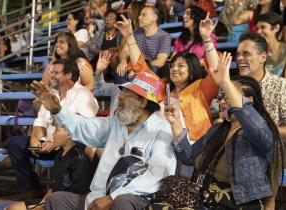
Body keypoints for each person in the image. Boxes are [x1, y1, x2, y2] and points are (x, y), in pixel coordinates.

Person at [147, 52, 282, 210]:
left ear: (249, 101)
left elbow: (253, 124)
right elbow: (188, 157)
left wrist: (225, 82)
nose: (222, 101)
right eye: (222, 96)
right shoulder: (217, 128)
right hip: (202, 201)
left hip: (235, 205)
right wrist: (175, 124)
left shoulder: (260, 131)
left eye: (228, 95)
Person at [30, 71, 177, 210]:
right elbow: (83, 126)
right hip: (99, 198)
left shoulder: (162, 130)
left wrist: (112, 197)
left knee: (123, 202)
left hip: (139, 199)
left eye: (127, 94)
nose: (120, 97)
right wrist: (57, 109)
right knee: (56, 200)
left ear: (143, 102)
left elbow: (156, 175)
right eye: (122, 92)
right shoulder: (115, 124)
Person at [114, 13, 219, 141]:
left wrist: (207, 38)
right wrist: (130, 37)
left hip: (192, 147)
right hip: (159, 143)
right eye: (172, 66)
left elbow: (216, 71)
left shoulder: (200, 89)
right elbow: (141, 67)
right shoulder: (162, 87)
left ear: (192, 70)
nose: (174, 69)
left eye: (181, 66)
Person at [6, 59, 99, 198]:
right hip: (48, 143)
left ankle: (58, 195)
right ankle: (31, 191)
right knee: (14, 143)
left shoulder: (83, 95)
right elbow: (40, 122)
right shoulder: (51, 94)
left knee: (72, 149)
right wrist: (35, 141)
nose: (52, 76)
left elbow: (81, 129)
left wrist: (54, 144)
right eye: (51, 72)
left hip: (68, 146)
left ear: (68, 75)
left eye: (56, 73)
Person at [237, 32, 286, 210]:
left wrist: (266, 128)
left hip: (276, 146)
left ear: (263, 57)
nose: (239, 58)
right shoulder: (234, 86)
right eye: (238, 54)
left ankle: (268, 205)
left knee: (264, 145)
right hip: (239, 142)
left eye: (246, 54)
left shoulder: (281, 85)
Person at [7, 122, 94, 210]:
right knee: (12, 208)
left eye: (56, 130)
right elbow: (53, 188)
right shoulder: (60, 154)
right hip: (53, 200)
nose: (52, 134)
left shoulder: (80, 159)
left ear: (69, 134)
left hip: (65, 204)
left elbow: (76, 198)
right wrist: (40, 205)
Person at [117, 5, 171, 77]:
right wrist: (123, 61)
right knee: (120, 71)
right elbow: (124, 51)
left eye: (143, 15)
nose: (139, 17)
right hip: (136, 67)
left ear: (154, 18)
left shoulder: (164, 36)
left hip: (152, 70)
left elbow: (160, 61)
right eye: (140, 15)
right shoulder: (137, 32)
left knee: (153, 69)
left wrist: (141, 67)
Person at [256, 12, 286, 83]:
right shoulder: (256, 52)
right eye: (257, 28)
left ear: (276, 28)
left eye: (263, 27)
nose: (258, 31)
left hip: (282, 92)